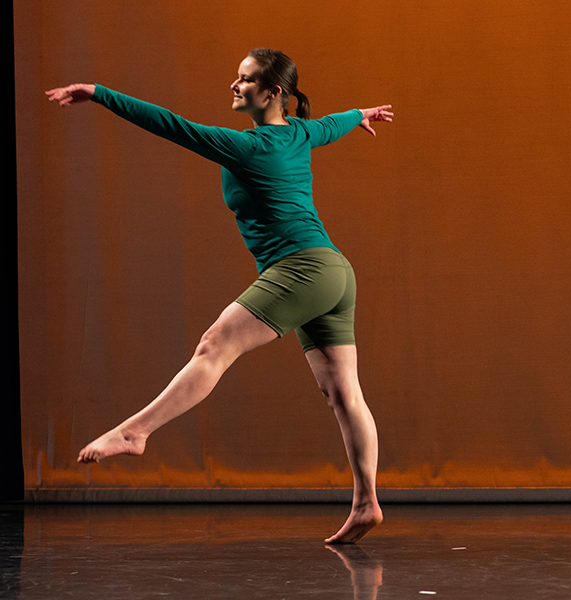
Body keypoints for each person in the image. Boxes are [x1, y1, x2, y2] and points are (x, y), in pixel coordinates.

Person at [45, 48, 394, 544]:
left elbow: (170, 124)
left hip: (301, 267)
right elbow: (331, 125)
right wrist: (361, 115)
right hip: (335, 273)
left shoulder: (246, 147)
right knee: (344, 394)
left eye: (246, 80)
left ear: (273, 93)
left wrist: (101, 94)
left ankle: (135, 432)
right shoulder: (299, 133)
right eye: (237, 77)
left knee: (214, 346)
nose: (234, 85)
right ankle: (366, 504)